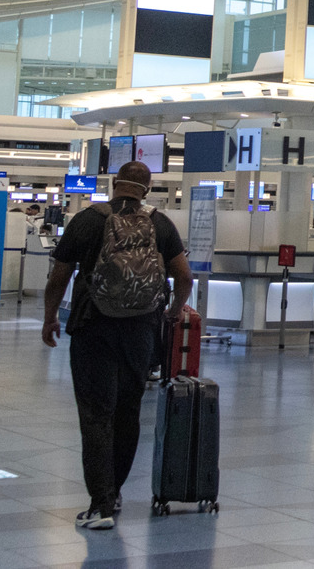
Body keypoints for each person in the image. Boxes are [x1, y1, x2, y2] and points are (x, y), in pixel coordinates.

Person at [41, 162, 193, 530]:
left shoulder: (88, 220)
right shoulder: (160, 224)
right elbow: (184, 277)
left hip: (93, 326)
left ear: (114, 184)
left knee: (97, 414)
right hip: (141, 330)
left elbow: (59, 275)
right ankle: (115, 492)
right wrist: (173, 312)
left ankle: (101, 505)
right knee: (128, 412)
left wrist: (49, 318)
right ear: (147, 188)